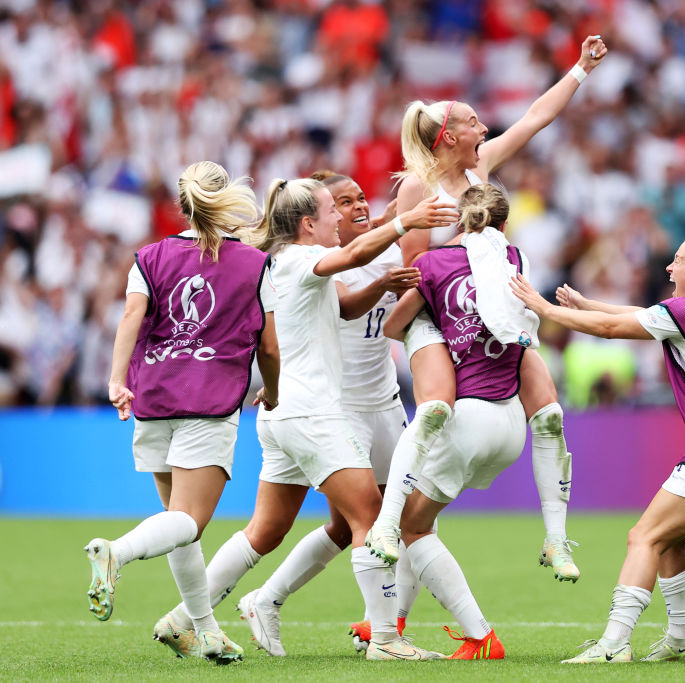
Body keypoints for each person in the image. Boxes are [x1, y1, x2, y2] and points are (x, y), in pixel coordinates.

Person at [154, 178, 456, 661]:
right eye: (331, 211)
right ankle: (385, 640)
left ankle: (183, 616)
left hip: (279, 414)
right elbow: (353, 257)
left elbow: (343, 299)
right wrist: (405, 221)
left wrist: (381, 279)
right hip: (311, 412)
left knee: (267, 530)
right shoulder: (298, 259)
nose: (341, 217)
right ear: (307, 223)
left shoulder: (280, 264)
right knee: (372, 517)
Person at [366, 34, 610, 582]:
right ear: (449, 136)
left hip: (491, 312)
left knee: (548, 412)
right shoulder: (416, 191)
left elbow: (534, 118)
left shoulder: (481, 167)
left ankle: (555, 538)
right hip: (432, 313)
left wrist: (580, 68)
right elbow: (410, 275)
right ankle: (387, 523)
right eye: (475, 123)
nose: (485, 129)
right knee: (434, 411)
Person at [509, 236, 685, 663]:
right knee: (668, 540)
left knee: (644, 537)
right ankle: (682, 639)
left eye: (677, 262)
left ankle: (613, 645)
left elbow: (612, 331)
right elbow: (644, 317)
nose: (668, 269)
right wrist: (587, 304)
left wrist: (545, 310)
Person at [84, 161, 280, 664]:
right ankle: (117, 552)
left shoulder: (149, 257)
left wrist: (116, 379)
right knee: (188, 523)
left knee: (178, 525)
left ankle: (203, 631)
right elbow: (271, 349)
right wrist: (273, 391)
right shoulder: (255, 263)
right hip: (208, 402)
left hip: (152, 398)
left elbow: (131, 315)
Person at [380, 183, 532, 659]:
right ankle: (394, 619)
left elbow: (391, 326)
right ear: (503, 225)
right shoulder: (514, 259)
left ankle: (480, 635)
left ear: (457, 221)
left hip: (468, 416)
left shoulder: (432, 264)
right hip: (512, 421)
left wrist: (428, 319)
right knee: (418, 522)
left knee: (410, 526)